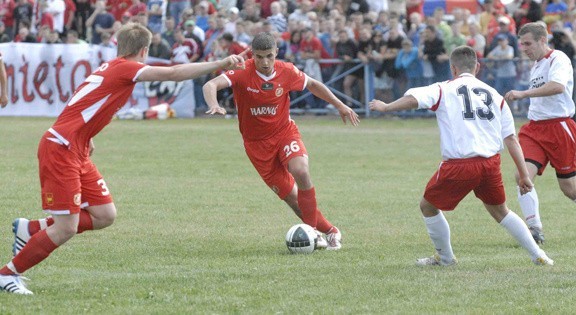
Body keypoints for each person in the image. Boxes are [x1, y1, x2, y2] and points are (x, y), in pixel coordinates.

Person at [0, 23, 245, 295]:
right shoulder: (127, 68)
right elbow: (175, 73)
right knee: (66, 228)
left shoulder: (111, 66)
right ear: (144, 50)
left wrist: (87, 134)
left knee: (105, 214)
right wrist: (221, 63)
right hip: (62, 148)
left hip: (75, 147)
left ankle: (31, 228)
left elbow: (80, 100)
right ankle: (8, 274)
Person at [369, 45, 553, 267]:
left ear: (453, 69)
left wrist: (387, 107)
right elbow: (511, 139)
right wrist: (524, 175)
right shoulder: (495, 95)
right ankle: (538, 254)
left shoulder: (443, 88)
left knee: (427, 206)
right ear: (477, 67)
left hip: (460, 164)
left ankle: (445, 258)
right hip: (490, 164)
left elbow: (415, 99)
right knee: (501, 211)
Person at [203, 32, 360, 252]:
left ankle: (312, 233)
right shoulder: (241, 71)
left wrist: (340, 105)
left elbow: (313, 84)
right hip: (256, 146)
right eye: (259, 57)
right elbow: (210, 85)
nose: (265, 62)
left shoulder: (286, 71)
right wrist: (214, 104)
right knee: (294, 201)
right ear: (252, 55)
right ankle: (331, 231)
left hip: (284, 133)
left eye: (269, 56)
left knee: (301, 171)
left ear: (276, 52)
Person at [505, 22, 576, 243]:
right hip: (534, 129)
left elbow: (558, 86)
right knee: (522, 176)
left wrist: (523, 93)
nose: (524, 49)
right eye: (522, 44)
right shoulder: (536, 65)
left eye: (528, 44)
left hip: (560, 128)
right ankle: (534, 229)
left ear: (542, 40)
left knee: (569, 188)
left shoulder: (559, 58)